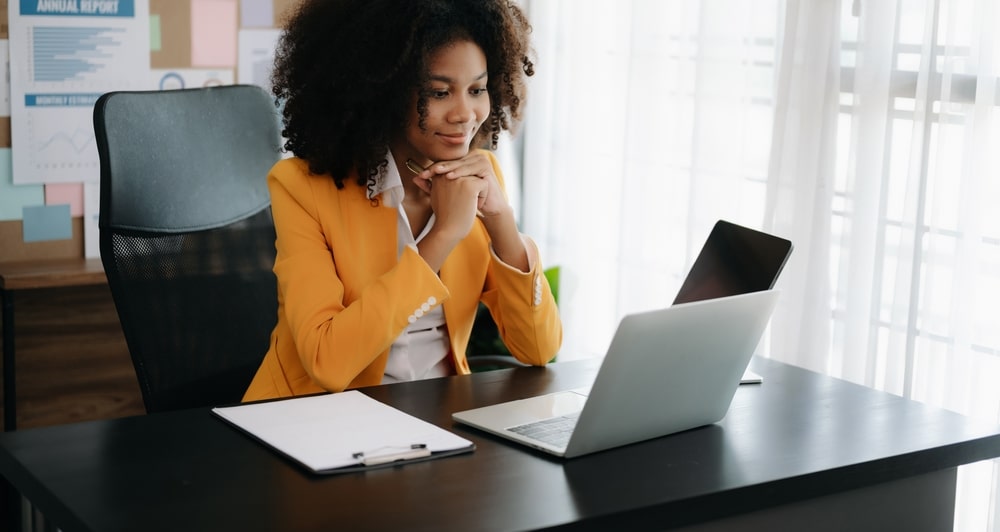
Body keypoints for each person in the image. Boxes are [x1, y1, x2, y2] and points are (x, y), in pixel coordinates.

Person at [243, 0, 563, 401]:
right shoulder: (302, 189)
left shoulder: (480, 179)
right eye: (440, 92)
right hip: (313, 422)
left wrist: (501, 222)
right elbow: (327, 362)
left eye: (477, 89)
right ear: (383, 92)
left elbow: (539, 349)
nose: (466, 114)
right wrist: (442, 236)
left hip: (437, 422)